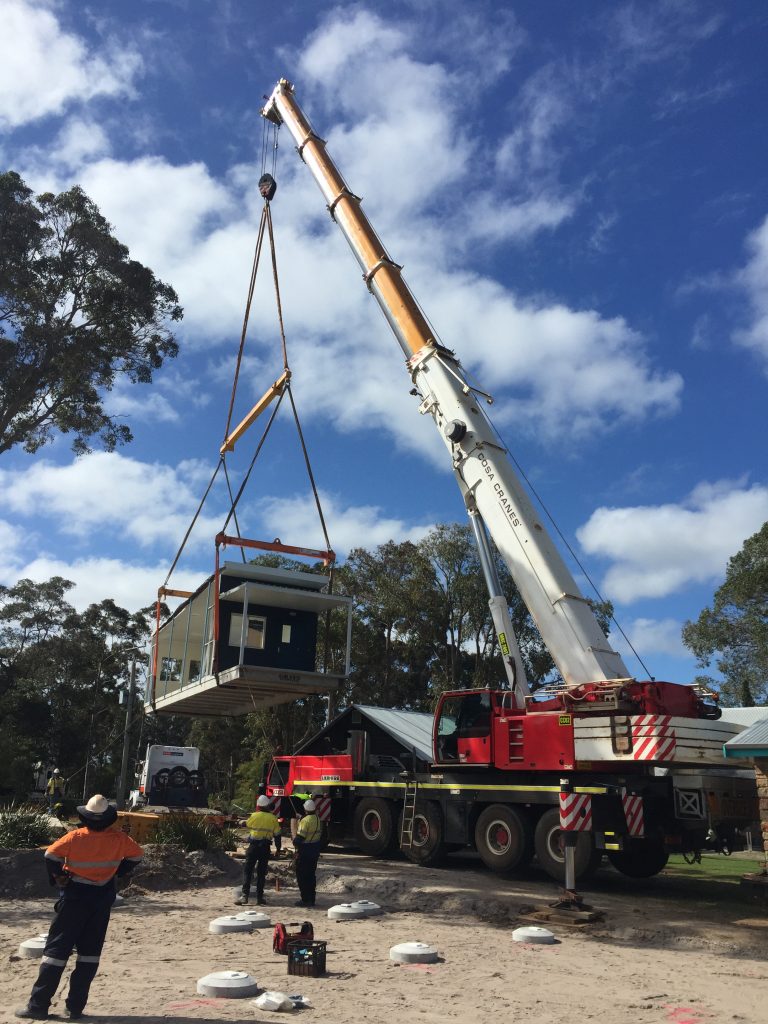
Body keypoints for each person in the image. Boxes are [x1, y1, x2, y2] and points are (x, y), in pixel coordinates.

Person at [15, 794, 143, 1021]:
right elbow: (136, 856)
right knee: (89, 955)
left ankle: (38, 1006)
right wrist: (116, 873)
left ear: (86, 818)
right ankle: (75, 1008)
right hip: (102, 899)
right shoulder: (120, 839)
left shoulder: (75, 837)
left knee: (55, 953)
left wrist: (59, 876)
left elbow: (50, 855)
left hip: (74, 899)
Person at [236, 794, 282, 906]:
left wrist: (239, 822)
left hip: (253, 847)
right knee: (261, 873)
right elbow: (277, 835)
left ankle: (244, 896)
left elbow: (246, 824)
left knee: (248, 871)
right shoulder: (273, 818)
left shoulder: (254, 815)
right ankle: (259, 898)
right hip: (265, 848)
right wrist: (278, 849)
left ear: (259, 806)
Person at [293, 798, 322, 908]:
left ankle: (305, 899)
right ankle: (312, 899)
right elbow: (310, 826)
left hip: (305, 851)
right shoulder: (317, 819)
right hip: (314, 851)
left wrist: (295, 841)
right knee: (311, 876)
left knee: (302, 876)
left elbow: (301, 837)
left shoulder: (305, 821)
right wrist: (301, 818)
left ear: (305, 809)